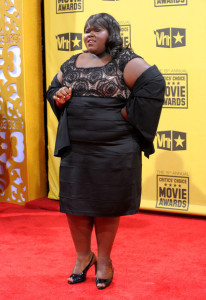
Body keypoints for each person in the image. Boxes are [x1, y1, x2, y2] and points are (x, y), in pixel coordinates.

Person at [47, 13, 165, 289]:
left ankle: (104, 261)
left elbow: (154, 84)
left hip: (115, 147)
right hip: (77, 147)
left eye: (96, 30)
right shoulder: (72, 62)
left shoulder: (125, 60)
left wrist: (127, 113)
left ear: (111, 33)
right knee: (75, 205)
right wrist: (60, 97)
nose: (89, 34)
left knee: (106, 205)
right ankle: (82, 257)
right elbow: (53, 89)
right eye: (86, 30)